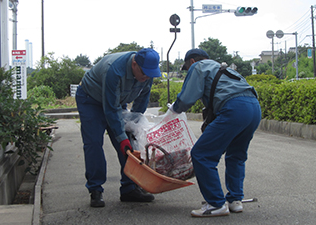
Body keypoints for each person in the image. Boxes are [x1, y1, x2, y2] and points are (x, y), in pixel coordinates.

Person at [169, 49, 261, 217]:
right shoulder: (224, 68)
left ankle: (216, 204)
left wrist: (174, 109)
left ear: (191, 62)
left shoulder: (198, 67)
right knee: (236, 155)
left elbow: (187, 98)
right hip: (254, 107)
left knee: (201, 154)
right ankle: (235, 200)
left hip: (233, 108)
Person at [75, 48, 161, 207]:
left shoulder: (147, 72)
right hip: (91, 100)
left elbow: (141, 100)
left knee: (130, 145)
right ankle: (95, 189)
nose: (147, 77)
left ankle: (129, 189)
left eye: (150, 74)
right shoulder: (114, 70)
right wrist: (121, 137)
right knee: (94, 143)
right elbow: (111, 109)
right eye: (144, 73)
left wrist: (134, 125)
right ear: (134, 64)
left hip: (116, 101)